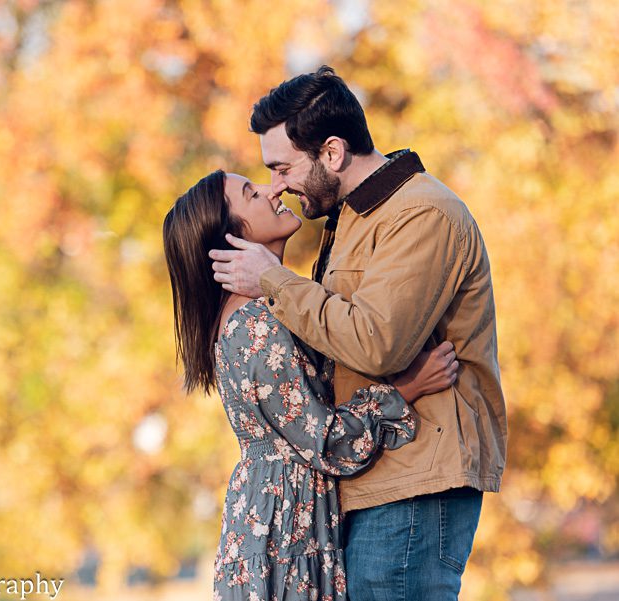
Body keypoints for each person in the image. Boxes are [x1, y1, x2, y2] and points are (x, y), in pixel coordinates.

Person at [209, 66, 507, 600]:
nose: (277, 187)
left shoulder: (421, 213)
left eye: (281, 168)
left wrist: (273, 280)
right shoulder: (352, 221)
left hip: (416, 478)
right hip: (371, 478)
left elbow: (377, 343)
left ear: (331, 153)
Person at [163, 169, 459, 600]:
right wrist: (407, 389)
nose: (272, 189)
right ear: (231, 237)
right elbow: (325, 442)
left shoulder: (263, 312)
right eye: (252, 192)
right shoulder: (256, 324)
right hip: (285, 534)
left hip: (286, 522)